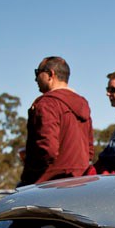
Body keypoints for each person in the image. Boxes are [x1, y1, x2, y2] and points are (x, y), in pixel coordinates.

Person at [19, 56, 94, 186]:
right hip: (81, 181)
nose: (35, 79)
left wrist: (30, 164)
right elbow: (90, 151)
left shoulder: (47, 104)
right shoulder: (82, 103)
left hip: (49, 184)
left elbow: (47, 149)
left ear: (50, 74)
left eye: (37, 73)